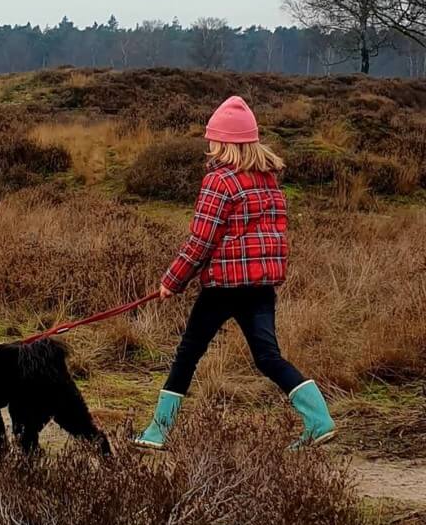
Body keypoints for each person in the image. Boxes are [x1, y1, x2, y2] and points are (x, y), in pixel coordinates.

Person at [134, 96, 336, 450]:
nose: (209, 146)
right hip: (260, 287)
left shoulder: (219, 182)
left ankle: (157, 431)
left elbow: (201, 240)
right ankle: (319, 420)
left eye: (213, 138)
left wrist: (172, 281)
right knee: (268, 356)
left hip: (223, 288)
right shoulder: (268, 181)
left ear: (226, 142)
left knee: (188, 354)